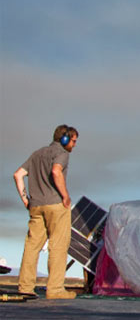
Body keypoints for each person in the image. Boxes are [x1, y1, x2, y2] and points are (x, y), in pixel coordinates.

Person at [13, 124, 79, 299]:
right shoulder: (62, 154)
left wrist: (26, 200)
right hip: (55, 206)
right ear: (64, 139)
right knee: (58, 246)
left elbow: (18, 175)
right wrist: (65, 196)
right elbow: (56, 171)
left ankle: (25, 287)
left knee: (32, 246)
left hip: (35, 206)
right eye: (73, 141)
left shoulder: (37, 154)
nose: (74, 145)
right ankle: (55, 289)